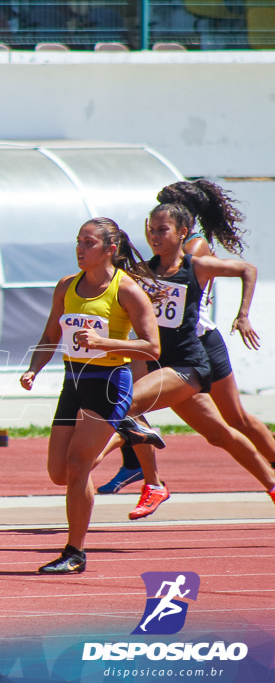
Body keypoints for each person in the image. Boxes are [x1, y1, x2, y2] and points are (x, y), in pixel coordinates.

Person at [99, 199, 275, 520]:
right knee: (218, 434)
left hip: (186, 365)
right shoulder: (145, 273)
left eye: (162, 230)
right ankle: (273, 484)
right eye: (151, 230)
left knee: (125, 406)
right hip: (158, 364)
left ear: (182, 233)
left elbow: (247, 269)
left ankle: (141, 480)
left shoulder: (196, 265)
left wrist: (243, 315)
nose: (155, 236)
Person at [21, 218, 161, 575]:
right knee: (59, 473)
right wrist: (33, 369)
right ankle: (125, 431)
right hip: (74, 379)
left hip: (109, 380)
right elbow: (50, 334)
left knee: (79, 464)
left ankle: (74, 553)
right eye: (78, 242)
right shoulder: (66, 286)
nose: (80, 249)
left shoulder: (126, 290)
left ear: (110, 249)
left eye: (88, 243)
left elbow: (152, 347)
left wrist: (104, 343)